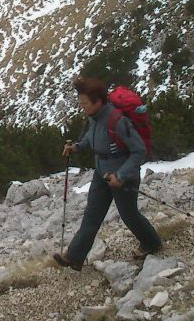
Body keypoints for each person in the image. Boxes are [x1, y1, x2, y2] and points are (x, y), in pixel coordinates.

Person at [53, 76, 162, 270]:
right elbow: (91, 139)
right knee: (92, 215)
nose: (82, 107)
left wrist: (121, 176)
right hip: (101, 173)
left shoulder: (117, 120)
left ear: (98, 101)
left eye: (85, 103)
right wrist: (76, 147)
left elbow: (139, 151)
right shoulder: (94, 118)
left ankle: (152, 243)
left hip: (123, 176)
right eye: (80, 103)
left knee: (129, 215)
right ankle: (74, 256)